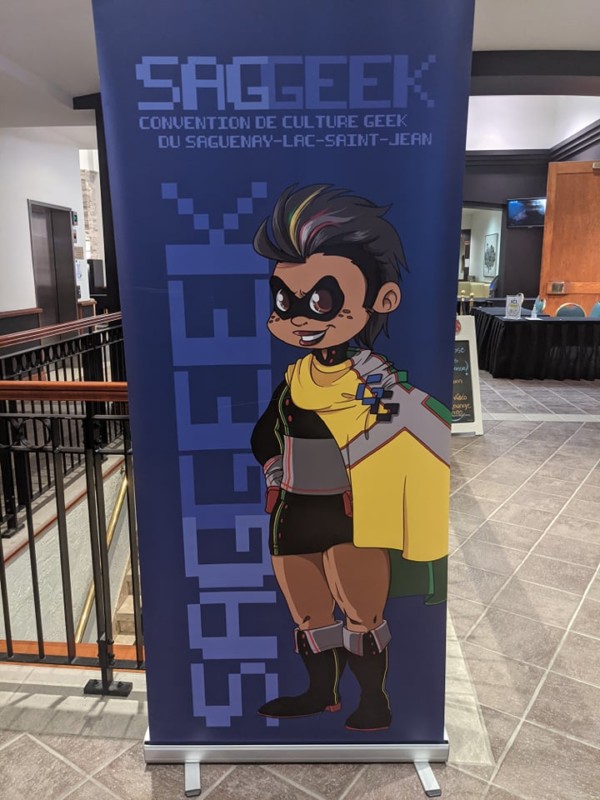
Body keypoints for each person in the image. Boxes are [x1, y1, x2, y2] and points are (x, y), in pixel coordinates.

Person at [251, 184, 450, 731]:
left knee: (362, 615)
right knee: (310, 615)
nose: (298, 317)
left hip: (351, 515)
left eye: (321, 301)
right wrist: (275, 471)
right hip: (292, 512)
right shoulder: (296, 376)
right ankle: (321, 693)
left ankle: (374, 700)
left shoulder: (372, 381)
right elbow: (265, 433)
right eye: (285, 301)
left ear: (381, 300)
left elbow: (409, 439)